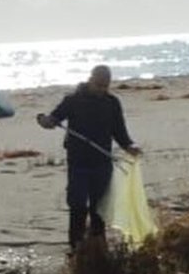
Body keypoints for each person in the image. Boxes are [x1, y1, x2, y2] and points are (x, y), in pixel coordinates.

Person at [36, 65, 141, 250]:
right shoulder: (73, 100)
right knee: (77, 205)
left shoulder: (112, 102)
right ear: (90, 79)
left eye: (105, 86)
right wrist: (46, 121)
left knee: (99, 208)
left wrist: (129, 146)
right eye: (99, 84)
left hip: (102, 162)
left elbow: (119, 131)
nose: (102, 89)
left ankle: (98, 247)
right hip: (78, 163)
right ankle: (76, 247)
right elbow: (54, 118)